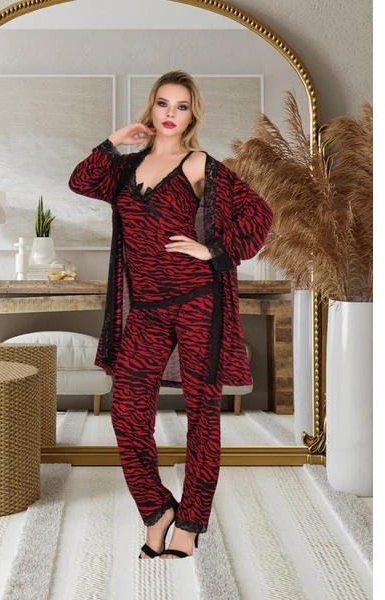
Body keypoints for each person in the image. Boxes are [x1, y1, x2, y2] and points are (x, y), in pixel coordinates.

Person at [68, 70, 273, 560]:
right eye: (163, 103)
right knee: (127, 412)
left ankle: (191, 523)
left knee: (202, 412)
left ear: (192, 114)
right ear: (152, 107)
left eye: (181, 106)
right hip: (147, 309)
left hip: (199, 302)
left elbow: (259, 214)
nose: (170, 114)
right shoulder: (125, 167)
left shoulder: (198, 163)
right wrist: (114, 141)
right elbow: (80, 181)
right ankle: (157, 509)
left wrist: (213, 251)